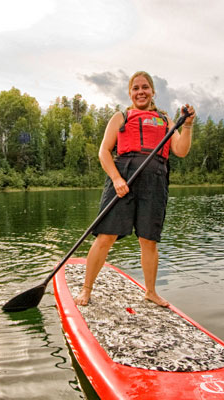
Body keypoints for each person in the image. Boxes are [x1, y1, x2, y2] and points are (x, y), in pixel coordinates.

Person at [74, 71, 195, 307]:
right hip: (124, 177)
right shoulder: (121, 117)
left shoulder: (166, 120)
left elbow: (180, 150)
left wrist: (187, 125)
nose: (141, 92)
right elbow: (103, 152)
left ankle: (150, 291)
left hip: (155, 180)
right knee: (106, 236)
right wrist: (117, 179)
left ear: (152, 91)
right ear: (130, 93)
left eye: (145, 87)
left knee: (148, 240)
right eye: (136, 88)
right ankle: (86, 290)